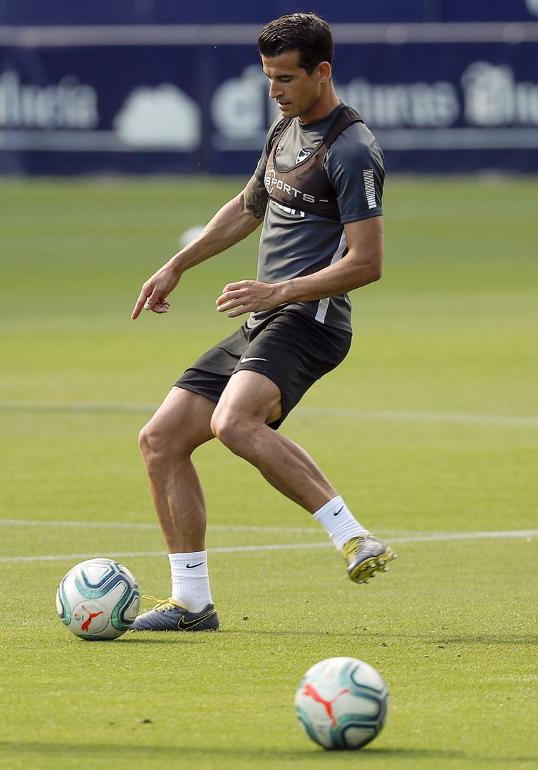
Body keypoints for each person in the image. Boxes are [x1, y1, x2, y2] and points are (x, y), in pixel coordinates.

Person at [129, 12, 394, 632]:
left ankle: (353, 536)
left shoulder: (352, 150)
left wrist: (277, 290)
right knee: (160, 440)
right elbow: (248, 208)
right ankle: (192, 603)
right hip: (266, 317)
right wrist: (176, 265)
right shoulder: (285, 129)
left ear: (322, 71)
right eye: (268, 77)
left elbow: (368, 262)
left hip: (311, 321)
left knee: (233, 421)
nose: (274, 90)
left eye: (286, 78)